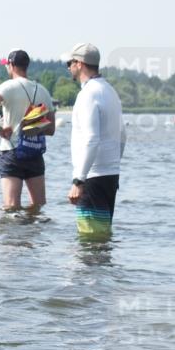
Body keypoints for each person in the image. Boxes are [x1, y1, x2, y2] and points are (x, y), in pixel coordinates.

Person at [0, 50, 56, 211]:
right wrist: (33, 127)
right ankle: (32, 235)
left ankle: (15, 236)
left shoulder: (7, 87)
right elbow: (51, 129)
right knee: (38, 206)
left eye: (7, 65)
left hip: (12, 151)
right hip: (34, 151)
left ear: (11, 65)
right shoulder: (42, 90)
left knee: (11, 208)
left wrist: (0, 130)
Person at [60, 43, 125, 239]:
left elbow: (91, 139)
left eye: (69, 63)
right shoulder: (110, 91)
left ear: (79, 64)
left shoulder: (87, 94)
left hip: (92, 177)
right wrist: (112, 164)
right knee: (102, 238)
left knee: (90, 242)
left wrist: (79, 180)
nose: (68, 67)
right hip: (110, 175)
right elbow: (122, 135)